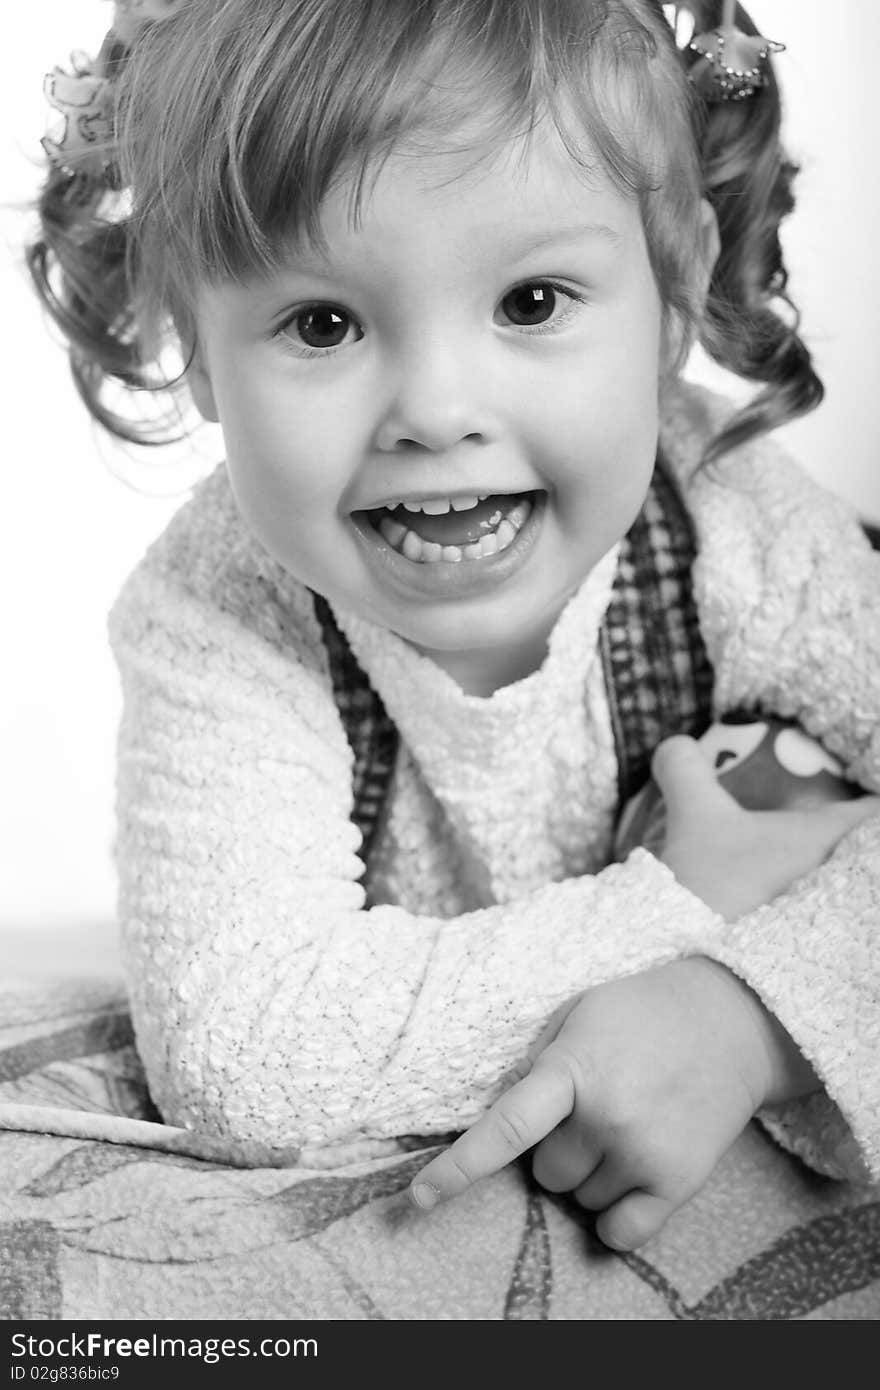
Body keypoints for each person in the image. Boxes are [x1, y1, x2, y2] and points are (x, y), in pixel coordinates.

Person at [27, 0, 880, 1256]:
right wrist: (681, 901)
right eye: (322, 323)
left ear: (677, 286)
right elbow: (248, 1057)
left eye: (532, 300)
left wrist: (745, 1017)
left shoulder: (731, 522)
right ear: (197, 345)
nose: (434, 408)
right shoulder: (222, 607)